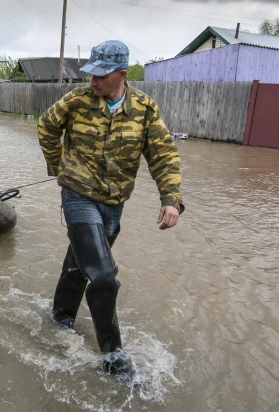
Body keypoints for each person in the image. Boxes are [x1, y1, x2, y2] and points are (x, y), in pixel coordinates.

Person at [37, 40, 184, 376]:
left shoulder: (145, 110)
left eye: (100, 76)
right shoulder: (77, 100)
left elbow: (164, 155)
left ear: (122, 74)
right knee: (104, 275)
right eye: (90, 74)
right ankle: (112, 357)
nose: (92, 82)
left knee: (81, 266)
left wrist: (170, 199)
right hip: (77, 194)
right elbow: (46, 126)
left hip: (114, 203)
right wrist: (59, 166)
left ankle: (59, 319)